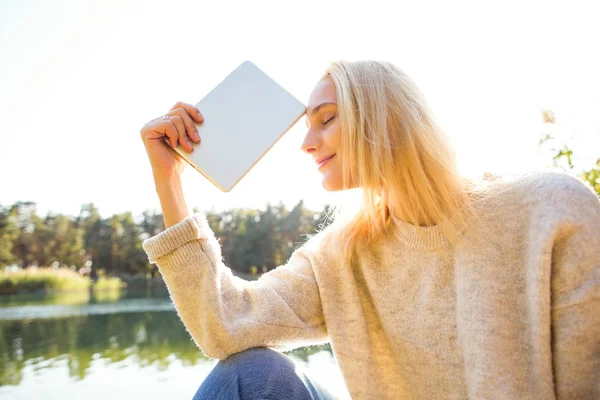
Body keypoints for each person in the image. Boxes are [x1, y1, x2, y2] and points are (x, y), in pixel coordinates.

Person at [139, 60, 600, 400]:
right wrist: (169, 180)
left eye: (327, 118)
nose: (305, 142)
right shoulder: (341, 254)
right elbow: (225, 326)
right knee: (248, 376)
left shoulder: (548, 210)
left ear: (385, 116)